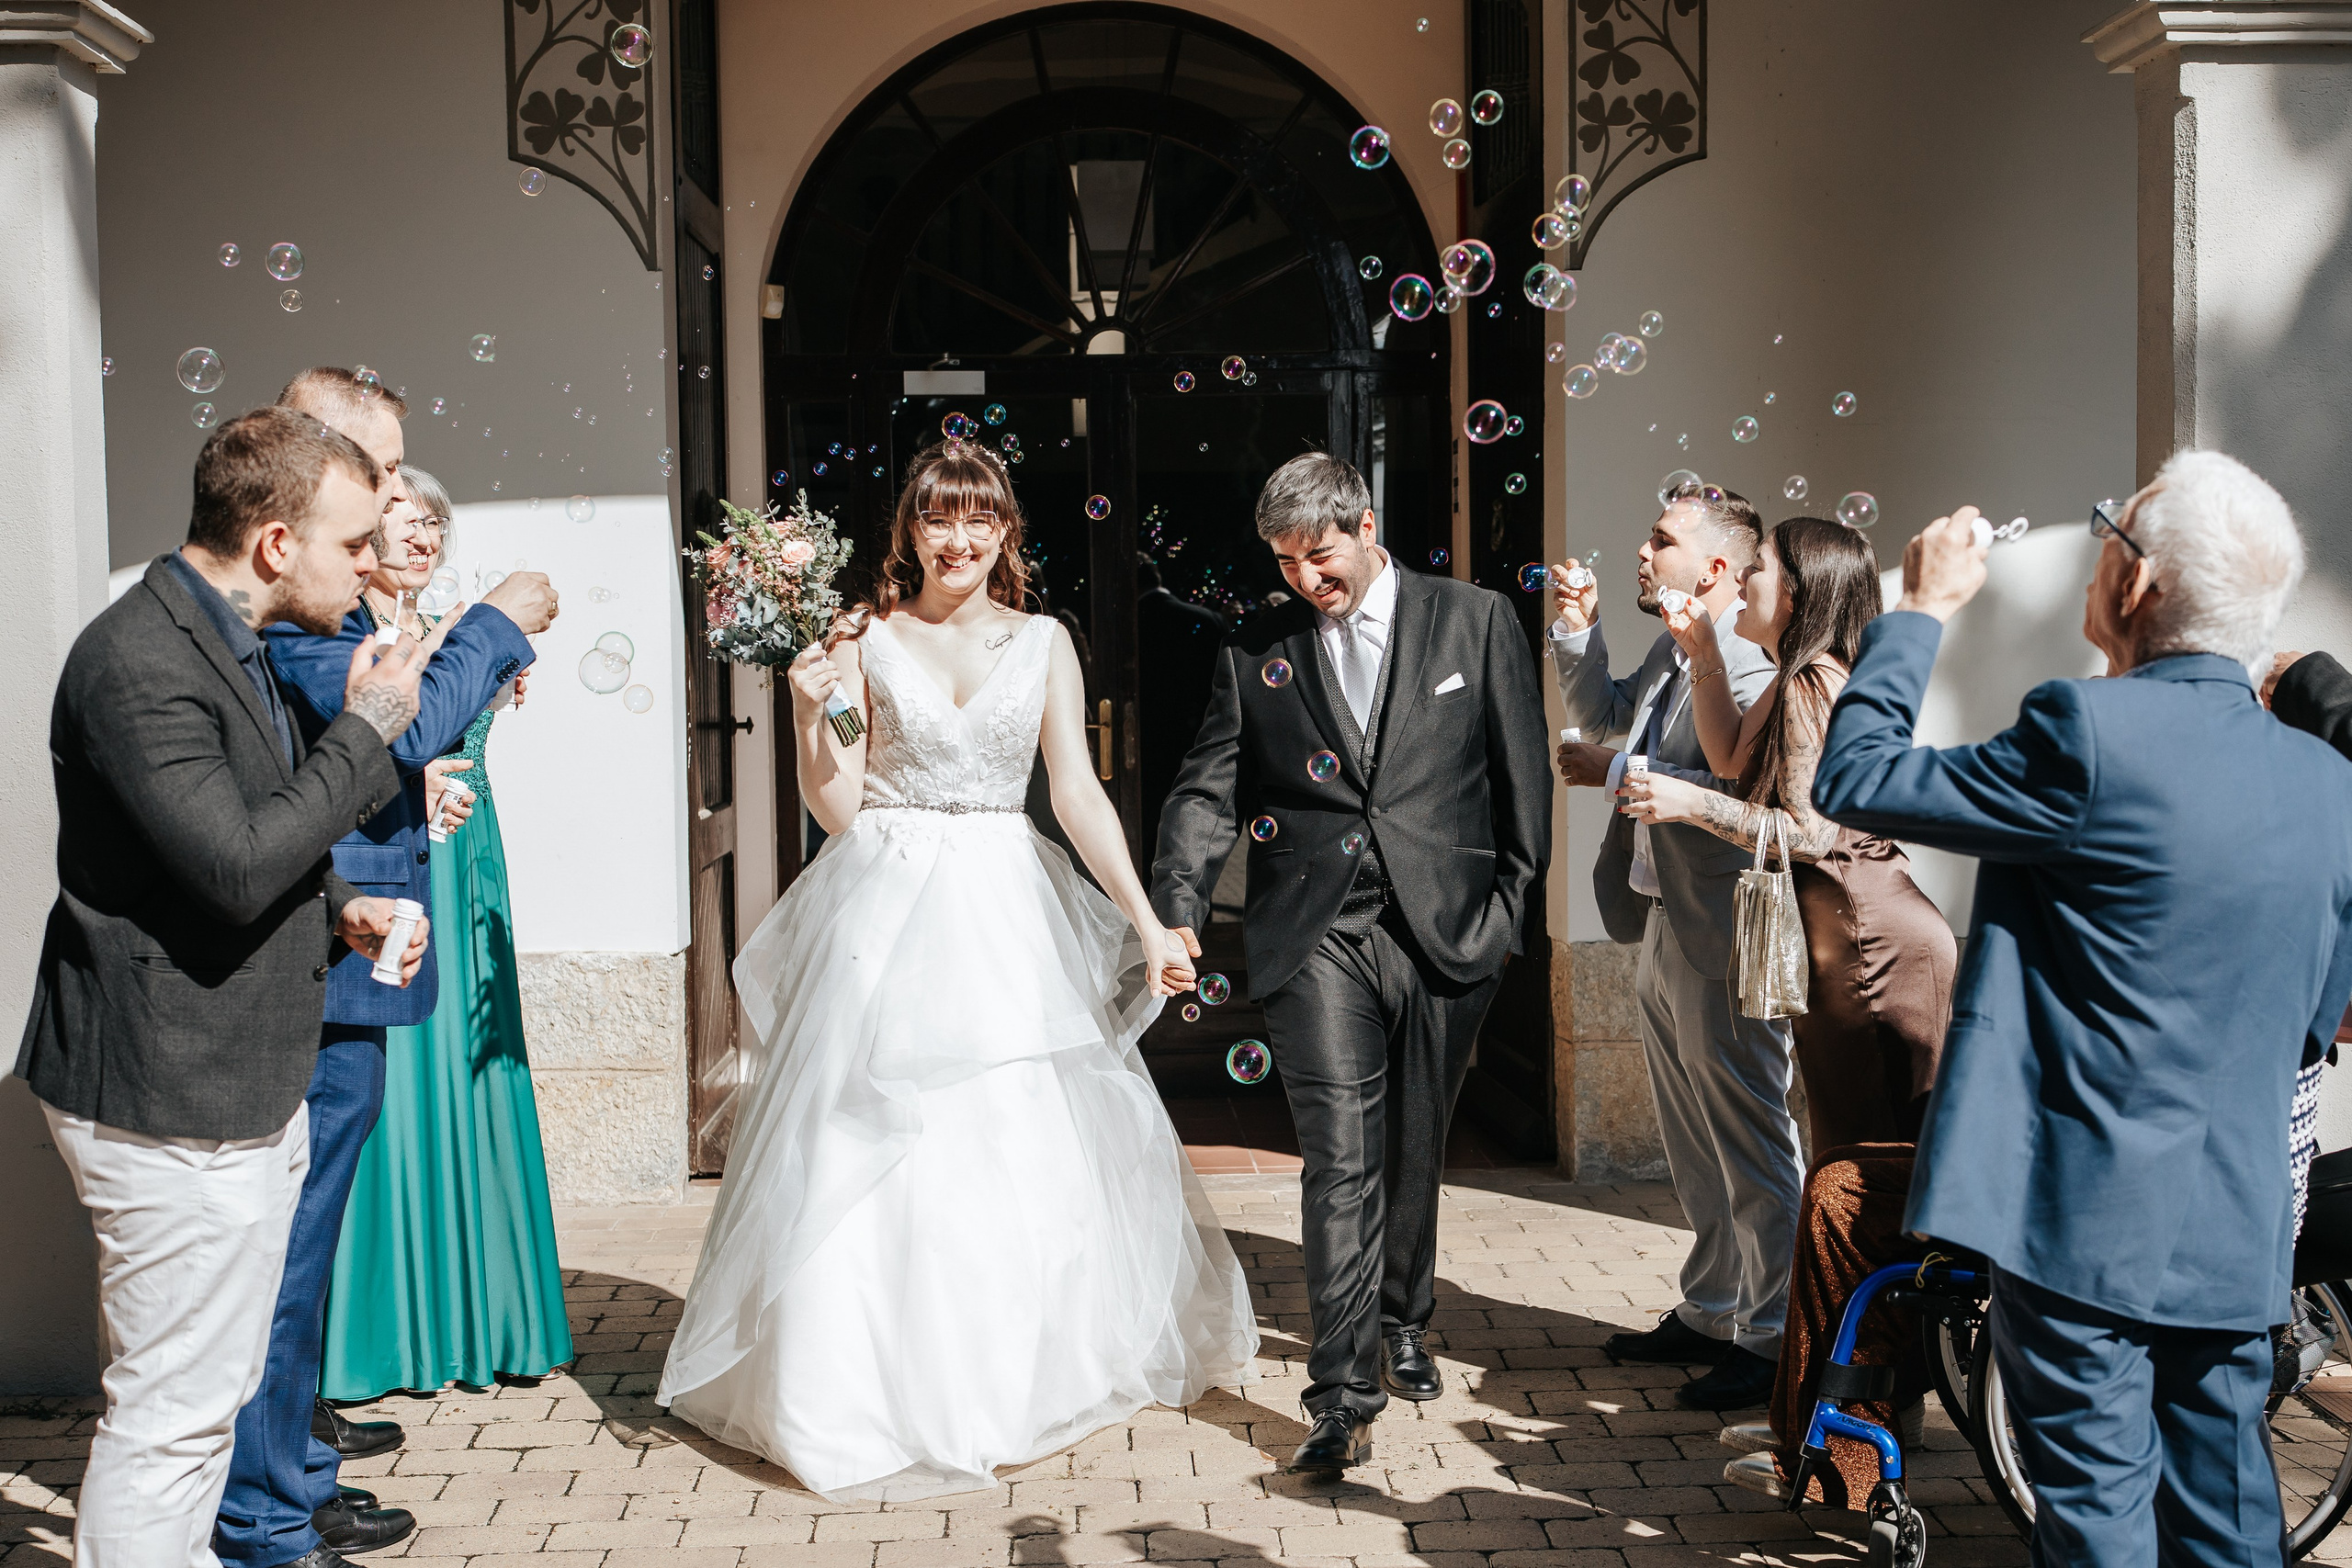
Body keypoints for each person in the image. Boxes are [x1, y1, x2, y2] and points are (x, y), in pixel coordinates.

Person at [658, 439, 1257, 1502]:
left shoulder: (1044, 642)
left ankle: (1003, 1379)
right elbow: (837, 806)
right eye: (940, 518)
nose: (960, 539)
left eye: (980, 519)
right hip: (886, 898)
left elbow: (1074, 794)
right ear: (910, 530)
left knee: (1004, 1133)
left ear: (1007, 532)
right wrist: (808, 710)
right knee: (865, 1137)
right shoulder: (864, 640)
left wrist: (1154, 921)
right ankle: (850, 1387)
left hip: (1001, 905)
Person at [1811, 452, 2352, 1567]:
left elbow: (1856, 778)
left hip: (2080, 1224)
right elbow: (2318, 1016)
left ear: (2136, 584)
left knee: (2100, 1526)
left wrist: (1918, 612)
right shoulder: (2328, 785)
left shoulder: (2086, 733)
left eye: (2112, 528)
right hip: (2236, 1222)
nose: (2099, 546)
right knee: (2228, 1520)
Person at [17, 407, 428, 1566]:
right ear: (274, 543)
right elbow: (238, 866)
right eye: (354, 542)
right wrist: (371, 726)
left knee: (212, 1392)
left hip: (235, 1081)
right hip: (169, 1090)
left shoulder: (225, 636)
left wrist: (335, 902)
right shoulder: (139, 661)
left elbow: (238, 835)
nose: (373, 561)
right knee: (171, 1414)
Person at [1150, 451, 1551, 1472]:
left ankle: (1405, 1317)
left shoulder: (1475, 620)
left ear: (1366, 526)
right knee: (1339, 1156)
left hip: (1447, 926)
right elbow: (1207, 787)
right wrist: (1179, 905)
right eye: (1285, 564)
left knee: (1417, 1141)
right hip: (1313, 930)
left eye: (1319, 558)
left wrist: (1507, 912)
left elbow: (1520, 775)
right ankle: (1340, 1395)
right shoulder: (1255, 647)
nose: (1304, 582)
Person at [218, 370, 557, 1568]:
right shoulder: (302, 615)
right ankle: (262, 1510)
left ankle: (294, 1477)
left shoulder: (339, 596)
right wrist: (496, 622)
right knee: (288, 1253)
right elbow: (401, 725)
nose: (394, 491)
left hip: (355, 942)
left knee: (302, 1251)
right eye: (377, 467)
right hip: (315, 957)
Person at [1611, 517, 1957, 1495]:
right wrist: (1700, 655)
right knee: (1860, 1184)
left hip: (1868, 942)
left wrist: (1688, 808)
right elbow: (1727, 758)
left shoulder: (1812, 682)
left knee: (1861, 1183)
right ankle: (1851, 1414)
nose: (1743, 579)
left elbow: (1806, 830)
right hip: (1842, 940)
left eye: (1757, 569)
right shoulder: (1783, 677)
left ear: (1799, 591)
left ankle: (1860, 1423)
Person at [321, 467, 575, 1401]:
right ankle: (388, 1329)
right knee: (390, 1082)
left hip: (470, 865)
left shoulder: (459, 627)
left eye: (434, 520)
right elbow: (377, 747)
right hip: (393, 869)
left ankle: (482, 1317)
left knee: (474, 1071)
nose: (422, 534)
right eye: (402, 518)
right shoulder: (352, 636)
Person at [1547, 485, 1804, 1410]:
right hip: (1662, 910)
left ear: (1720, 565)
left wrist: (1612, 771)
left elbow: (1740, 782)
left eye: (1660, 540)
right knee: (1691, 1134)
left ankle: (1773, 1337)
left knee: (1747, 1132)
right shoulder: (1682, 638)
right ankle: (1711, 1306)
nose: (1642, 552)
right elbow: (1611, 711)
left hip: (1723, 923)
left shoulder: (1744, 652)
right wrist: (1579, 631)